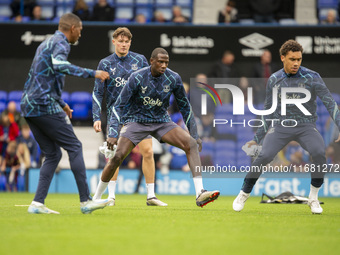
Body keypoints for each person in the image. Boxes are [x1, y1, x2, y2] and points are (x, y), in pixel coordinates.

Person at [93, 47, 220, 207]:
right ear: (151, 61)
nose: (164, 65)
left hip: (161, 121)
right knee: (117, 157)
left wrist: (194, 134)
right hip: (136, 121)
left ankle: (200, 193)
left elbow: (185, 107)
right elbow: (118, 106)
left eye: (166, 62)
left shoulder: (173, 78)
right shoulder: (137, 77)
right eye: (160, 62)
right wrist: (113, 132)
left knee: (191, 144)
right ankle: (96, 198)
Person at [233, 39, 340, 214]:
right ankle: (243, 193)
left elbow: (329, 102)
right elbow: (268, 111)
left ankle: (313, 198)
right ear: (283, 58)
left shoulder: (312, 77)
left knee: (319, 153)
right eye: (292, 59)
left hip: (306, 126)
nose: (296, 63)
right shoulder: (274, 79)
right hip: (281, 125)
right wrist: (257, 138)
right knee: (264, 155)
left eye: (299, 59)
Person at [20, 13, 111, 214]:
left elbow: (36, 78)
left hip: (29, 106)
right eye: (80, 30)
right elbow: (60, 66)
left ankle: (37, 203)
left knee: (53, 154)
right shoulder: (62, 42)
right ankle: (85, 201)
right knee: (75, 147)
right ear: (72, 28)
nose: (80, 34)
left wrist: (61, 103)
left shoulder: (44, 44)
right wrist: (93, 73)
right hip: (43, 105)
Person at [92, 27, 166, 206]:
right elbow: (97, 92)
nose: (123, 44)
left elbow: (151, 83)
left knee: (148, 151)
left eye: (126, 42)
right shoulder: (105, 63)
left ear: (130, 43)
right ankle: (110, 197)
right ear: (114, 42)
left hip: (139, 115)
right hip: (115, 115)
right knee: (115, 155)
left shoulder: (139, 60)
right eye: (120, 41)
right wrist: (96, 117)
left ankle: (151, 196)